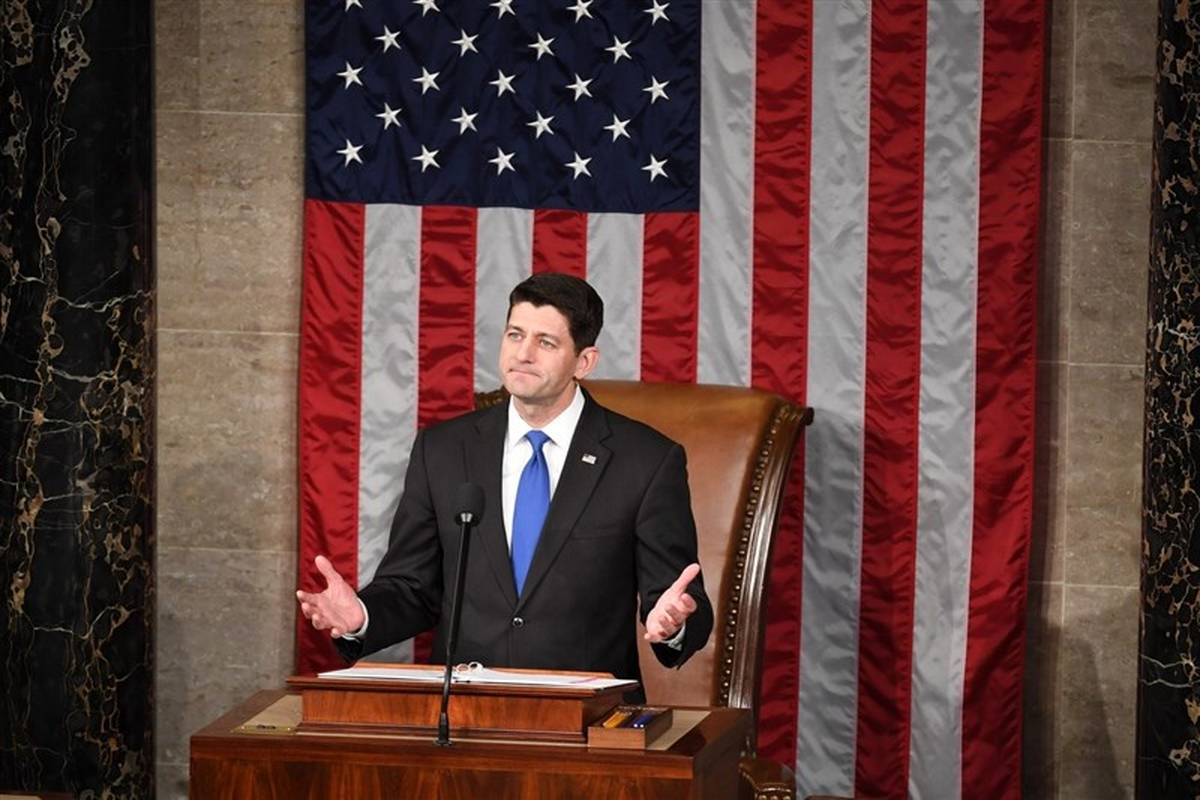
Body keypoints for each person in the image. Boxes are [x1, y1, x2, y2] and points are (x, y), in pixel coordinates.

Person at [296, 273, 712, 688]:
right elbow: (412, 587)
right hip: (465, 708)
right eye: (515, 335)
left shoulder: (646, 460)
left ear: (584, 362)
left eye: (545, 342)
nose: (523, 354)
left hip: (588, 715)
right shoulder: (443, 449)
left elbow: (679, 597)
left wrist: (674, 624)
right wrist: (362, 616)